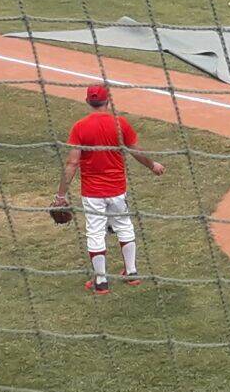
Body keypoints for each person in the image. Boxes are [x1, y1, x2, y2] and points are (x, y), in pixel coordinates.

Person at [55, 84, 164, 293]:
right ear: (108, 100)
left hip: (92, 192)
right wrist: (153, 165)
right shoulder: (120, 123)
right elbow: (135, 151)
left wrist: (60, 194)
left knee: (95, 233)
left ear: (88, 101)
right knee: (124, 226)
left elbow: (72, 164)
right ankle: (132, 273)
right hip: (117, 189)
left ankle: (101, 282)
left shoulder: (80, 127)